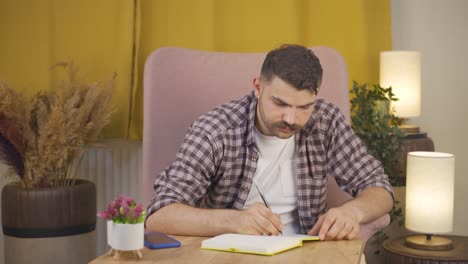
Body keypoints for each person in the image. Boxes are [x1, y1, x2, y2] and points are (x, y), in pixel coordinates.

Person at [145, 44, 394, 241]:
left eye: (304, 107)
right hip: (231, 254)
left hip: (308, 251)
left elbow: (380, 188)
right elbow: (159, 215)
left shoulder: (325, 120)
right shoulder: (215, 130)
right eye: (280, 104)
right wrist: (233, 221)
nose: (291, 118)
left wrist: (352, 212)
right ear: (257, 87)